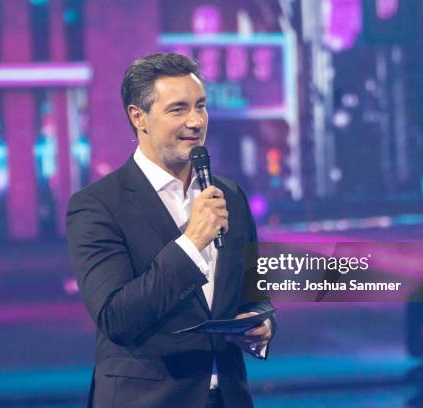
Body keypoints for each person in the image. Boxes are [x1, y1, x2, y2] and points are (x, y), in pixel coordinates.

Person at [67, 52, 275, 408]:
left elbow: (252, 292)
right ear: (139, 117)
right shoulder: (97, 205)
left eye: (201, 106)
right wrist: (192, 244)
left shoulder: (229, 196)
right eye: (178, 109)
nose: (195, 121)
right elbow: (117, 317)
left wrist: (261, 322)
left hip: (227, 397)